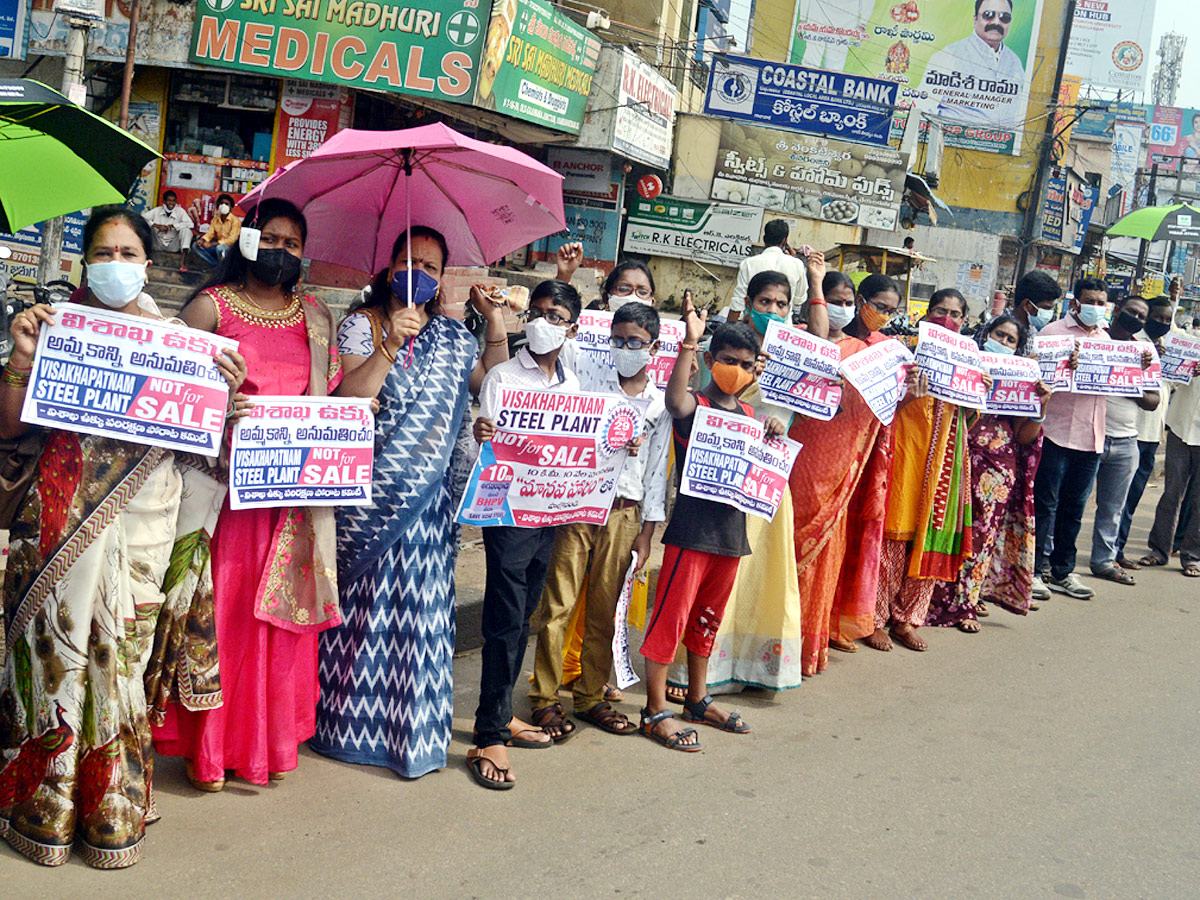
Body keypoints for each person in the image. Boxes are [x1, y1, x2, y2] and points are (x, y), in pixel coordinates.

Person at [0, 207, 245, 868]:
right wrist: (22, 358)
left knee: (123, 659)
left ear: (147, 262)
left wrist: (224, 399)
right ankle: (45, 802)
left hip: (145, 520)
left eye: (127, 251)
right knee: (57, 657)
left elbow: (205, 450)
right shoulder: (55, 328)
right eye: (103, 251)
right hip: (57, 521)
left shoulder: (177, 343)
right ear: (85, 261)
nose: (115, 262)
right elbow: (8, 431)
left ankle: (112, 802)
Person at [152, 199, 343, 792]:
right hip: (223, 497)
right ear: (249, 239)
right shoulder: (212, 306)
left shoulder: (315, 317)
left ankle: (263, 746)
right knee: (222, 620)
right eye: (273, 239)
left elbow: (327, 401)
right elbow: (167, 384)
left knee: (276, 626)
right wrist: (218, 400)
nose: (282, 251)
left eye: (294, 243)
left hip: (287, 501)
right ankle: (208, 750)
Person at [310, 227, 506, 779]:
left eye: (430, 264)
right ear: (388, 265)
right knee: (364, 617)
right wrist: (391, 344)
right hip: (369, 502)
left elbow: (492, 384)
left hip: (429, 504)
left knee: (420, 619)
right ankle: (345, 727)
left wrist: (493, 325)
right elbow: (348, 398)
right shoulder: (361, 324)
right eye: (408, 260)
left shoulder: (453, 337)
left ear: (444, 278)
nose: (418, 270)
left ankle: (411, 737)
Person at [667, 268, 822, 695]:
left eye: (781, 305)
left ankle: (753, 669)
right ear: (748, 301)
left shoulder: (795, 355)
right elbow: (686, 403)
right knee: (702, 590)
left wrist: (817, 280)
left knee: (752, 582)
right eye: (764, 301)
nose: (772, 310)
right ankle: (693, 678)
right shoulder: (724, 353)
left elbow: (822, 344)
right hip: (714, 490)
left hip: (765, 483)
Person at [640, 306, 784, 752]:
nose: (736, 369)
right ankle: (654, 709)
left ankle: (698, 699)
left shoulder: (749, 415)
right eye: (727, 359)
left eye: (745, 363)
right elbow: (674, 400)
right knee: (672, 619)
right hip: (690, 532)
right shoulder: (694, 405)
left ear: (755, 367)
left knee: (706, 619)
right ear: (709, 358)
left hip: (730, 535)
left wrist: (773, 431)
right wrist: (689, 340)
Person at [527, 302, 670, 737]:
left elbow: (657, 470)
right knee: (558, 604)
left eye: (635, 343)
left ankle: (590, 695)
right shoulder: (588, 381)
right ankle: (544, 699)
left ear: (654, 347)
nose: (625, 349)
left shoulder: (659, 404)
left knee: (605, 610)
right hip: (578, 506)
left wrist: (648, 533)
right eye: (618, 340)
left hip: (625, 514)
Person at [468, 280, 582, 789]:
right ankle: (488, 732)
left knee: (524, 617)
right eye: (535, 312)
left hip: (550, 515)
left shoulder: (575, 389)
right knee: (504, 617)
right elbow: (483, 452)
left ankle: (502, 714)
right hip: (509, 513)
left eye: (554, 315)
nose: (541, 321)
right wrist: (482, 438)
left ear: (572, 327)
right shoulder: (502, 378)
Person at [790, 272, 898, 673]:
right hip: (795, 462)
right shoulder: (796, 338)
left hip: (836, 470)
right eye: (833, 298)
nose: (843, 306)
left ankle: (805, 646)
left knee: (825, 554)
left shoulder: (867, 354)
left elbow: (879, 413)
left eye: (847, 300)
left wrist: (907, 396)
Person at [927, 314, 1051, 632]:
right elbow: (953, 416)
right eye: (1000, 335)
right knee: (947, 527)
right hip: (958, 456)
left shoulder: (1021, 383)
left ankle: (966, 604)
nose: (1004, 343)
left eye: (1012, 341)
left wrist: (1041, 405)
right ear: (986, 334)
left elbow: (1025, 436)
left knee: (982, 538)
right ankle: (932, 598)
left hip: (998, 468)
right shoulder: (968, 369)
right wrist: (974, 391)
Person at [871, 287, 975, 653]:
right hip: (904, 458)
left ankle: (907, 618)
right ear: (925, 314)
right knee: (892, 539)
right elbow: (880, 407)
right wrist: (907, 395)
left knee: (928, 538)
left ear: (964, 322)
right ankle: (875, 618)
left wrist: (980, 392)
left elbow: (967, 420)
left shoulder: (969, 364)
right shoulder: (902, 355)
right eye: (940, 311)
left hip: (944, 464)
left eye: (956, 314)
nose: (947, 319)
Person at [1033, 278, 1111, 600]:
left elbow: (1123, 382)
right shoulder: (1051, 334)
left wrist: (1139, 367)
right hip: (1055, 432)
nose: (1095, 307)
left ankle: (1063, 571)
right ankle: (1036, 570)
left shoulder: (1106, 340)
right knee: (1045, 505)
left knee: (1075, 507)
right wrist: (1064, 368)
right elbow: (1035, 378)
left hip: (1092, 435)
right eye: (1089, 300)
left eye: (1101, 302)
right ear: (1075, 302)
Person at [1088, 296, 1159, 585]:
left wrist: (1129, 381)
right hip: (1090, 435)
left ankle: (1104, 561)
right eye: (1132, 312)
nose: (1136, 319)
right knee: (1074, 504)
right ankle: (1052, 562)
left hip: (1127, 441)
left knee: (1113, 508)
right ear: (1117, 311)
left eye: (1142, 317)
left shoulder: (1144, 352)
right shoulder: (1095, 341)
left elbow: (1153, 400)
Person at [1116, 296, 1175, 569]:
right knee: (1119, 498)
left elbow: (1169, 387)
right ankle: (1110, 552)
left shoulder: (1163, 348)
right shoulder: (1134, 344)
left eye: (1167, 320)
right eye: (1158, 318)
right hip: (1131, 431)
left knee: (1133, 497)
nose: (1162, 323)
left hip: (1152, 434)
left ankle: (1117, 549)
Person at [916, 0, 1026, 126]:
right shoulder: (949, 56)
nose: (996, 22)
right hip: (953, 141)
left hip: (1003, 142)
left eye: (1004, 18)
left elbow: (1019, 113)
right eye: (988, 15)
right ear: (975, 19)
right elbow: (922, 107)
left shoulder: (1014, 62)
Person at [1139, 353, 1200, 577]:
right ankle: (1159, 550)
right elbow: (1168, 379)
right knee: (1171, 494)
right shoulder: (1192, 345)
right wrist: (1186, 371)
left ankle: (1192, 557)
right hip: (1180, 427)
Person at [729, 219, 809, 324]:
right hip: (782, 328)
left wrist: (727, 330)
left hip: (754, 326)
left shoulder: (748, 264)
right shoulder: (797, 265)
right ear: (785, 241)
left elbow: (738, 302)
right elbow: (799, 300)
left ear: (764, 239)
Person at [1011, 270, 1062, 355]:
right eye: (1046, 308)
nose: (1049, 313)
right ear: (1027, 305)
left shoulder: (1033, 333)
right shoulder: (997, 328)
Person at [191, 194, 241, 269]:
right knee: (196, 246)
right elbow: (209, 233)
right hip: (218, 247)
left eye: (226, 204)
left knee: (219, 248)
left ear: (231, 207)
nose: (223, 205)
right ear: (218, 206)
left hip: (230, 249)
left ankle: (223, 268)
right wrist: (202, 240)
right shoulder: (215, 220)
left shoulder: (235, 221)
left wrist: (212, 244)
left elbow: (232, 239)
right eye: (222, 203)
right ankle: (217, 266)